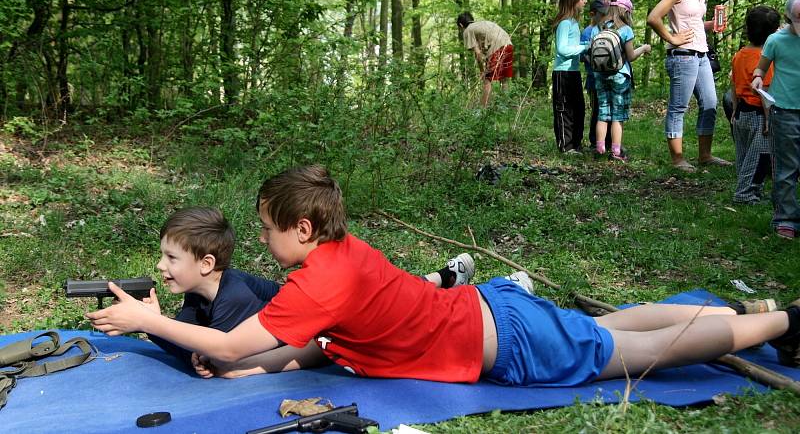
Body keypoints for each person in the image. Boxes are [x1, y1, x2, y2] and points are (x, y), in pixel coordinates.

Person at [88, 165, 800, 385]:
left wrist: (146, 318)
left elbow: (237, 344)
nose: (263, 238)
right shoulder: (339, 254)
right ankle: (759, 317)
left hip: (508, 342)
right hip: (496, 316)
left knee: (647, 351)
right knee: (612, 327)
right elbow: (294, 345)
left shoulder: (318, 281)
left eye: (268, 225)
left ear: (301, 228)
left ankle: (786, 322)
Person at [140, 205, 477, 369]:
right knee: (395, 293)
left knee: (394, 298)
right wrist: (155, 323)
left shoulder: (233, 299)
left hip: (314, 318)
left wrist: (151, 324)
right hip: (315, 310)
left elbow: (219, 352)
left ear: (206, 264)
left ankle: (450, 282)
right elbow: (187, 337)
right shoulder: (203, 293)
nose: (161, 266)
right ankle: (443, 278)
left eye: (171, 258)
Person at [647, 0, 731, 172]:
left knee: (710, 104)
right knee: (678, 107)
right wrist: (671, 38)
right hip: (683, 56)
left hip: (701, 54)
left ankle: (705, 155)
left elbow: (690, 21)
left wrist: (710, 24)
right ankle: (678, 159)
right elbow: (654, 17)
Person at [751, 0, 800, 239]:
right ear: (789, 17)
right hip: (785, 111)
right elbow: (760, 70)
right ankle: (786, 219)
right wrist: (758, 79)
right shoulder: (776, 41)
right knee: (786, 167)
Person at [589, 0, 651, 161]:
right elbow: (630, 56)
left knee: (602, 112)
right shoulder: (625, 29)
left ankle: (600, 147)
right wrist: (644, 48)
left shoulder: (597, 28)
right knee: (618, 115)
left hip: (600, 76)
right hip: (620, 76)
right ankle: (616, 151)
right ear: (625, 11)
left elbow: (591, 52)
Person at [730, 6, 780, 204]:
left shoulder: (740, 54)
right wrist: (769, 120)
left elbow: (733, 84)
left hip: (741, 112)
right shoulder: (764, 61)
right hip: (759, 115)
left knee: (743, 157)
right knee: (758, 157)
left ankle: (750, 191)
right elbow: (764, 92)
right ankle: (745, 194)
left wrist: (734, 110)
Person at [553, 0, 589, 154]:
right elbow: (562, 49)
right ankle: (565, 146)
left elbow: (574, 48)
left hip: (574, 72)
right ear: (573, 0)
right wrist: (585, 47)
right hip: (562, 73)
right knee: (564, 109)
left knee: (579, 108)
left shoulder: (574, 23)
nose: (585, 1)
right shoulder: (565, 23)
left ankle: (576, 144)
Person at [456, 12, 513, 108]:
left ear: (461, 25)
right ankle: (506, 106)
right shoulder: (482, 24)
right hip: (508, 44)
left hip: (497, 47)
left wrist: (482, 71)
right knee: (504, 79)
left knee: (487, 80)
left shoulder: (468, 30)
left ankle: (482, 110)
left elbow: (477, 53)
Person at [581, 0, 612, 151]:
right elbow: (582, 56)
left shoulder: (610, 30)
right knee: (598, 110)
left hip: (610, 78)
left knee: (611, 109)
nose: (605, 16)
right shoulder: (587, 32)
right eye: (602, 14)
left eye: (608, 13)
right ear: (592, 14)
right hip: (594, 79)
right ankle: (595, 142)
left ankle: (610, 141)